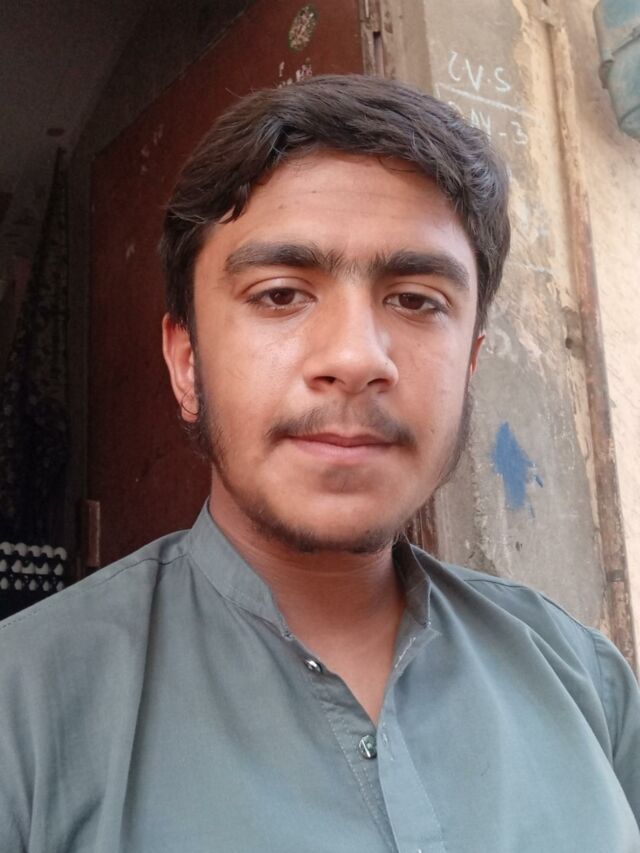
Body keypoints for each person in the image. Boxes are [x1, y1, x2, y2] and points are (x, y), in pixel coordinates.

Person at [0, 74, 638, 853]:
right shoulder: (22, 710)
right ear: (187, 363)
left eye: (416, 299)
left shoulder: (587, 681)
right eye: (279, 294)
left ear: (470, 364)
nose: (356, 358)